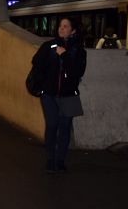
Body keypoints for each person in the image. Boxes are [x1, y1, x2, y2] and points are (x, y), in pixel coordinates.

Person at [30, 17, 87, 173]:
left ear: (73, 30)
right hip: (49, 95)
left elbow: (78, 71)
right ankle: (50, 159)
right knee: (52, 124)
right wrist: (43, 86)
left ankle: (60, 160)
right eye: (60, 26)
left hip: (69, 95)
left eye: (65, 26)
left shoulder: (78, 50)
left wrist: (64, 55)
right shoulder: (49, 46)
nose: (61, 29)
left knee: (65, 127)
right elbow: (36, 62)